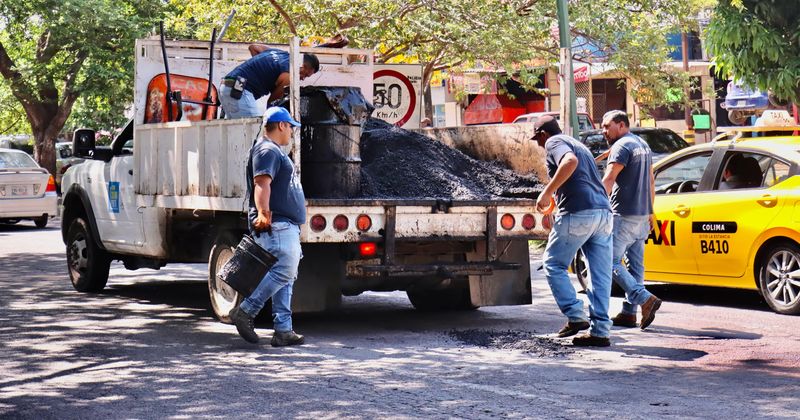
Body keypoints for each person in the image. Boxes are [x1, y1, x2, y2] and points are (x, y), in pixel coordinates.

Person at [533, 115, 614, 347]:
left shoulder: (553, 143)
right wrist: (557, 199)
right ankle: (600, 332)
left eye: (537, 140)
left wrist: (547, 192)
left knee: (553, 263)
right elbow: (581, 179)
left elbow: (569, 163)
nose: (539, 145)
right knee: (599, 275)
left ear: (543, 134)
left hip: (579, 214)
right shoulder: (579, 144)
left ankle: (576, 315)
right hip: (603, 213)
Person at [228, 107, 306, 346]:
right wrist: (263, 214)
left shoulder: (271, 150)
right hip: (278, 224)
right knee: (284, 271)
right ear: (281, 125)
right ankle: (246, 311)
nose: (292, 131)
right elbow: (262, 182)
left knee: (286, 276)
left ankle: (283, 329)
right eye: (291, 126)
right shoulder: (267, 149)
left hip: (285, 224)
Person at [600, 110, 662, 330]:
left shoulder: (622, 146)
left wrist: (595, 204)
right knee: (636, 266)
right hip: (642, 215)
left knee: (610, 262)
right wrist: (651, 212)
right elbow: (651, 182)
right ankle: (628, 313)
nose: (604, 130)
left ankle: (644, 298)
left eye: (607, 126)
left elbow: (608, 179)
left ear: (622, 124)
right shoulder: (641, 145)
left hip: (623, 214)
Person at [219, 45, 319, 119]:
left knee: (240, 134)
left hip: (227, 85)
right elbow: (272, 104)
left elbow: (254, 47)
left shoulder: (278, 53)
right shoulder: (289, 75)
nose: (302, 79)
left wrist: (257, 71)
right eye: (305, 75)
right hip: (239, 90)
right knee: (255, 132)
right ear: (302, 66)